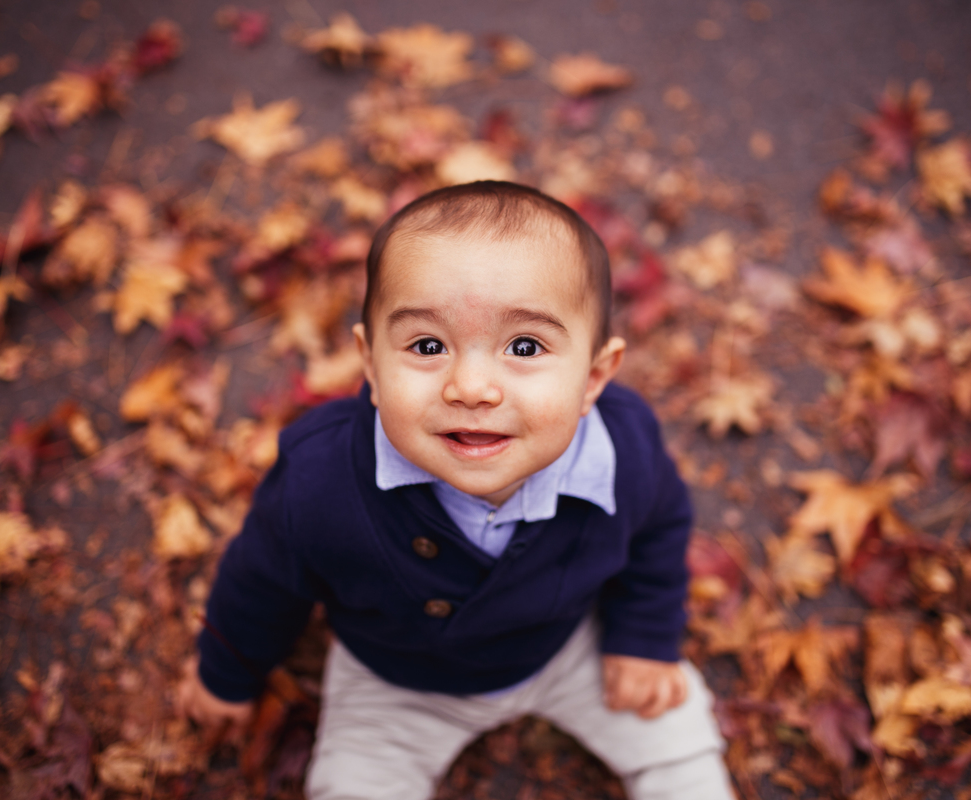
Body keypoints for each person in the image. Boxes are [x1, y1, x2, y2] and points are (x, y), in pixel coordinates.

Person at [177, 181, 734, 799]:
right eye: (427, 345)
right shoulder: (322, 477)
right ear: (370, 364)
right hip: (394, 678)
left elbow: (660, 527)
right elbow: (260, 581)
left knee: (681, 749)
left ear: (593, 376)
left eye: (524, 346)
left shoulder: (622, 450)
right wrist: (225, 674)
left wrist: (645, 639)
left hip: (571, 647)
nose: (471, 386)